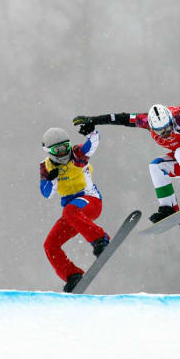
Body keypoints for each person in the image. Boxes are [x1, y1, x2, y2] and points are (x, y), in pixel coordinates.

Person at [73, 101, 180, 223]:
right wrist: (92, 120)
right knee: (156, 166)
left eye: (167, 128)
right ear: (151, 126)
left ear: (170, 121)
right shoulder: (146, 121)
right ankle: (168, 207)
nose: (166, 133)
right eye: (160, 131)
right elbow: (120, 118)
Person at [40, 125, 109, 292]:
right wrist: (52, 180)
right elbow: (47, 193)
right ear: (49, 151)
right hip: (72, 213)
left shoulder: (78, 154)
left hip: (90, 201)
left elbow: (92, 144)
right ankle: (72, 275)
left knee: (70, 211)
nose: (63, 153)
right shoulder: (46, 167)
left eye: (65, 147)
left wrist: (91, 130)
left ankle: (101, 240)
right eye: (58, 150)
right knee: (50, 244)